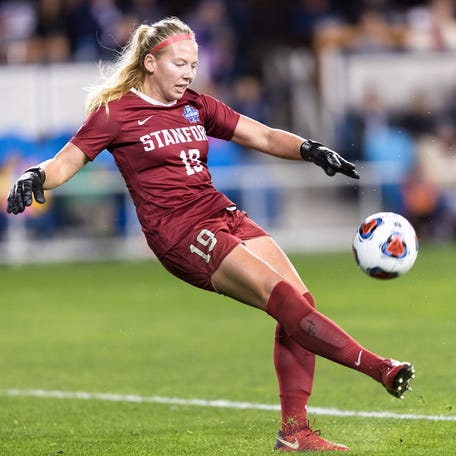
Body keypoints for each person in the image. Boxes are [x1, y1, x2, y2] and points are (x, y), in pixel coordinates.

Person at [6, 16, 415, 452]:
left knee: (301, 302)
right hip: (180, 233)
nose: (188, 73)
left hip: (220, 212)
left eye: (194, 65)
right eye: (179, 64)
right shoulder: (116, 113)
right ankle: (380, 368)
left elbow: (260, 133)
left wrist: (310, 150)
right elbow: (67, 161)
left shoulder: (196, 106)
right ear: (150, 62)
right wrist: (35, 174)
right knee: (283, 300)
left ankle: (295, 434)